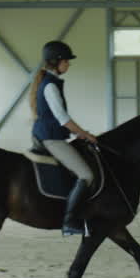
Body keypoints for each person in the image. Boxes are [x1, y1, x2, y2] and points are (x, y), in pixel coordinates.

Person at [30, 40, 98, 236]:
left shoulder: (52, 82)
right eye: (66, 61)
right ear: (56, 62)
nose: (68, 64)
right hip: (51, 139)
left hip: (53, 136)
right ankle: (69, 221)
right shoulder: (50, 86)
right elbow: (63, 120)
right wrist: (86, 135)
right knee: (87, 175)